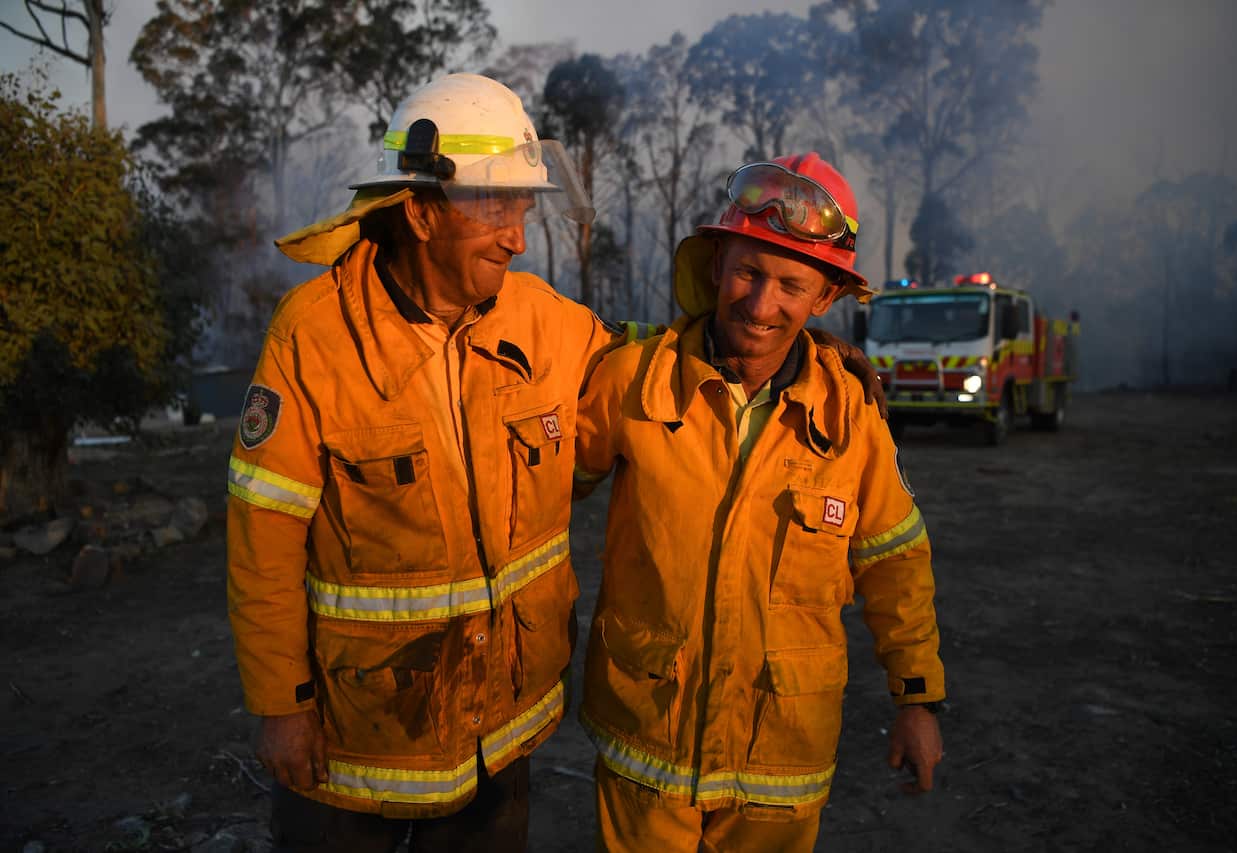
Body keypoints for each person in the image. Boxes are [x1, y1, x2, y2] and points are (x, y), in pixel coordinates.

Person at [226, 75, 886, 851]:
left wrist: (790, 344)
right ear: (420, 210)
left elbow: (653, 356)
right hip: (356, 742)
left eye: (523, 208)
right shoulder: (314, 337)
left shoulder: (542, 320)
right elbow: (262, 536)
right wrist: (282, 703)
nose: (516, 236)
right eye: (496, 207)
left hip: (499, 733)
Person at [573, 153, 945, 852]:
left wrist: (917, 698)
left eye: (791, 285)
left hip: (778, 764)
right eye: (748, 271)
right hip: (645, 749)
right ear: (716, 264)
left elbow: (897, 564)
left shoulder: (851, 421)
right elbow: (532, 488)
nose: (761, 304)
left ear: (824, 298)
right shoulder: (632, 381)